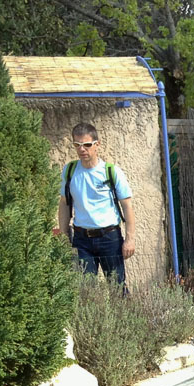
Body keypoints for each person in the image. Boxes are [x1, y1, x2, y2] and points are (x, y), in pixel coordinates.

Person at [58, 123, 136, 286]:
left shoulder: (111, 172)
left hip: (109, 238)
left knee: (117, 288)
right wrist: (64, 236)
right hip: (81, 240)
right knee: (85, 291)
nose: (82, 149)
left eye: (87, 145)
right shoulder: (70, 171)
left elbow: (127, 206)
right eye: (77, 145)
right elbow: (64, 204)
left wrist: (130, 239)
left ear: (97, 145)